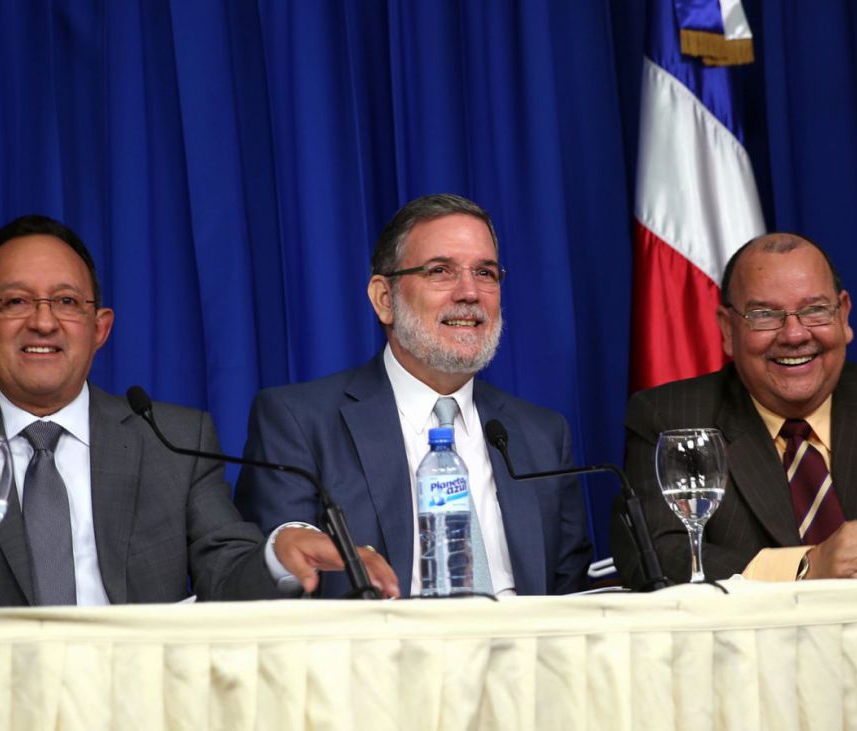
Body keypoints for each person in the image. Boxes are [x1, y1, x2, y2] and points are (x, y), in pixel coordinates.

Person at [0, 215, 398, 607]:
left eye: (67, 301)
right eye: (17, 302)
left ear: (100, 328)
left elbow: (225, 574)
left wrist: (275, 556)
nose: (43, 322)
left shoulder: (174, 439)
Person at [235, 194, 592, 597]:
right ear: (384, 299)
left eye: (486, 273)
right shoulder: (299, 421)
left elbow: (571, 597)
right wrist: (282, 553)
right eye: (441, 270)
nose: (470, 293)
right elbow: (263, 585)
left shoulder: (541, 435)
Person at [613, 233, 857, 583]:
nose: (794, 334)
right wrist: (806, 565)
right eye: (765, 315)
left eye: (814, 310)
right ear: (726, 329)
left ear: (843, 314)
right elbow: (652, 556)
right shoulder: (670, 416)